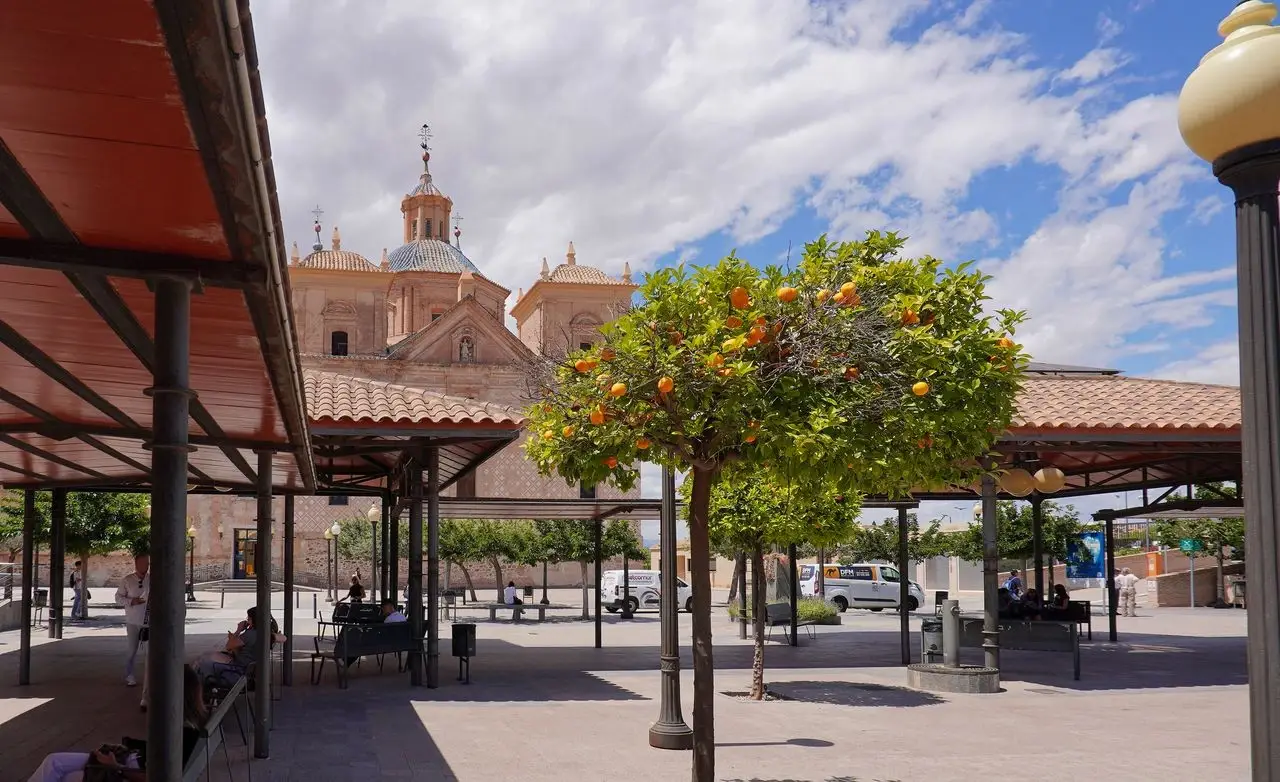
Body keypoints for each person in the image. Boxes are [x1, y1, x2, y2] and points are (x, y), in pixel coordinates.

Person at [26, 666, 207, 781]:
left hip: (128, 768)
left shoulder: (183, 733)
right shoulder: (189, 725)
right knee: (54, 762)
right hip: (132, 760)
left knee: (63, 772)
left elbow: (158, 777)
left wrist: (115, 766)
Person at [194, 606, 285, 685]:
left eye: (249, 619)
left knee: (201, 662)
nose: (247, 621)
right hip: (245, 666)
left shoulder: (251, 634)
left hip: (238, 670)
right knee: (206, 655)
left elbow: (229, 646)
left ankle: (193, 692)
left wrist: (238, 630)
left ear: (255, 620)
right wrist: (270, 635)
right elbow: (284, 638)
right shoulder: (264, 632)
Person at [114, 555, 149, 690]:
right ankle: (129, 675)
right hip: (133, 621)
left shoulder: (151, 579)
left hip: (148, 622)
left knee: (149, 652)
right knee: (132, 650)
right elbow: (118, 598)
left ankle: (149, 678)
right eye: (143, 563)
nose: (145, 566)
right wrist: (131, 601)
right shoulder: (127, 580)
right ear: (136, 564)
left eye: (147, 563)